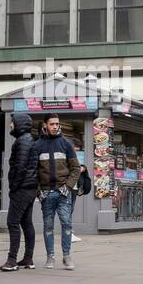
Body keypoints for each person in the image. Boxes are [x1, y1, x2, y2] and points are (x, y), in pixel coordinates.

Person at [31, 114, 81, 270]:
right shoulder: (37, 145)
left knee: (67, 224)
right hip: (46, 193)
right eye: (52, 124)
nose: (55, 126)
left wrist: (68, 186)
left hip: (63, 192)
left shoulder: (66, 144)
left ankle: (67, 257)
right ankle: (50, 257)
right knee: (48, 226)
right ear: (45, 125)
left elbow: (76, 168)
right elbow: (33, 171)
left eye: (57, 124)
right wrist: (39, 191)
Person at [1, 112, 38, 271]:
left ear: (19, 124)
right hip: (29, 188)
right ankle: (28, 258)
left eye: (13, 122)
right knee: (26, 223)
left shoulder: (23, 141)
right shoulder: (27, 140)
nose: (10, 125)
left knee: (12, 222)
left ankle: (12, 260)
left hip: (22, 188)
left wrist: (14, 186)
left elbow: (20, 167)